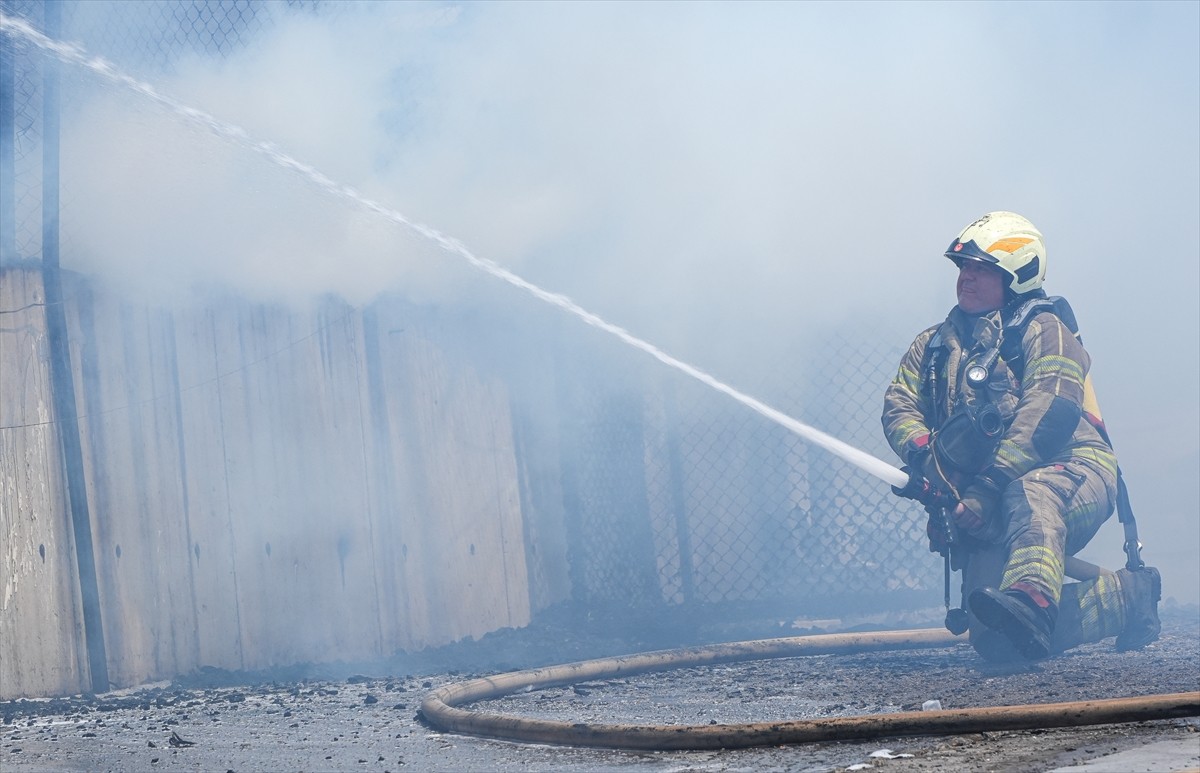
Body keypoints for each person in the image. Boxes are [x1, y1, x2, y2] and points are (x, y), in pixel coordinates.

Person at [881, 211, 1161, 662]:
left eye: (981, 269)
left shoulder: (1045, 331)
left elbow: (1049, 414)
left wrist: (987, 487)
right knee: (997, 640)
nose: (966, 278)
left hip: (1073, 470)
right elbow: (898, 405)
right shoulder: (931, 348)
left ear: (1017, 276)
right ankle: (1126, 600)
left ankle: (1032, 597)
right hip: (985, 493)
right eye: (963, 268)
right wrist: (932, 466)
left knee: (1030, 496)